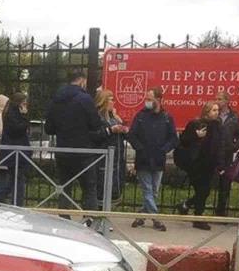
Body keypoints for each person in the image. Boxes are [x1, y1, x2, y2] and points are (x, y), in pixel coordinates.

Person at [45, 70, 113, 214]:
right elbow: (95, 125)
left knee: (64, 188)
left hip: (63, 151)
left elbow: (49, 128)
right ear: (82, 80)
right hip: (84, 152)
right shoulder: (85, 99)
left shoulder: (56, 99)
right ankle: (90, 222)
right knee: (89, 188)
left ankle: (64, 220)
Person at [128, 87, 178, 231]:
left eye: (150, 99)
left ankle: (141, 216)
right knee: (147, 190)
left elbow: (173, 138)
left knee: (154, 191)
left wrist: (164, 149)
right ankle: (156, 219)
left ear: (159, 100)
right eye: (146, 99)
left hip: (158, 159)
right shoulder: (141, 116)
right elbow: (132, 135)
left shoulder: (167, 117)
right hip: (143, 158)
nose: (147, 102)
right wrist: (140, 148)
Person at [176, 101, 225, 230]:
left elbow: (219, 145)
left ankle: (186, 205)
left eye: (217, 110)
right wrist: (196, 136)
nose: (216, 112)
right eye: (213, 110)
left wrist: (220, 163)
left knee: (205, 191)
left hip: (210, 163)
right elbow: (184, 141)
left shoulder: (217, 125)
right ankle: (198, 217)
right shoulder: (196, 123)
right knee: (202, 190)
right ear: (207, 111)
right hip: (196, 163)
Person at [0, 93, 30, 206]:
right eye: (23, 103)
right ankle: (15, 204)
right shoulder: (13, 114)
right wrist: (24, 116)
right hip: (15, 153)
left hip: (14, 152)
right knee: (16, 182)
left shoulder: (10, 112)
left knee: (13, 181)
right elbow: (17, 130)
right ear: (18, 103)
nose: (25, 105)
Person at [95, 89, 128, 208]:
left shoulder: (114, 116)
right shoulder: (97, 117)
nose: (113, 102)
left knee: (114, 191)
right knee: (102, 190)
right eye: (111, 100)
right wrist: (110, 130)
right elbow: (95, 136)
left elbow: (125, 135)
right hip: (103, 160)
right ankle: (97, 219)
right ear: (104, 101)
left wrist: (123, 128)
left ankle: (104, 219)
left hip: (117, 160)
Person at [215, 91, 239, 216]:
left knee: (225, 184)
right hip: (213, 152)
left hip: (226, 154)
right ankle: (198, 211)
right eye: (216, 98)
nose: (217, 101)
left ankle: (221, 211)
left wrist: (234, 147)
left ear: (227, 101)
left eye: (220, 99)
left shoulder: (234, 117)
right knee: (205, 183)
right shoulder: (213, 114)